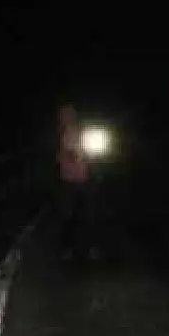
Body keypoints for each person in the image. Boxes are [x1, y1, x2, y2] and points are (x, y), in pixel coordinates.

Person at [55, 104, 96, 259]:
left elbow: (92, 153)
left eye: (69, 115)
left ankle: (87, 248)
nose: (67, 118)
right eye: (64, 115)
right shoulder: (59, 135)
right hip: (66, 181)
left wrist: (87, 157)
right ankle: (65, 248)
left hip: (83, 179)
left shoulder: (83, 133)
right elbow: (59, 157)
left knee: (87, 215)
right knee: (67, 216)